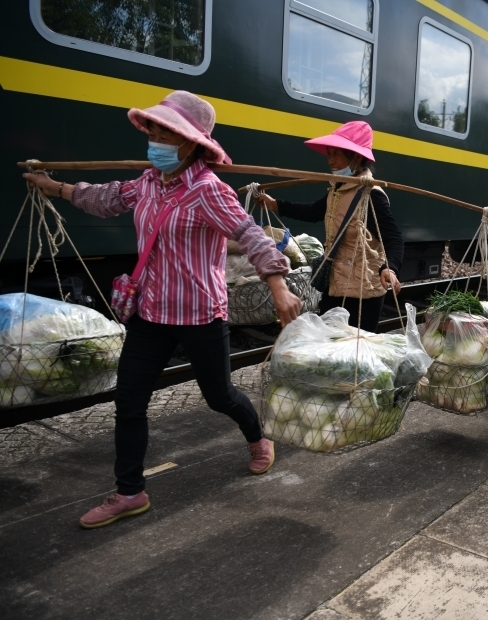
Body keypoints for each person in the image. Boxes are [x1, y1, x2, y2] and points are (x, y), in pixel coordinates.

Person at [23, 91, 303, 529]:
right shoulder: (148, 182)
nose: (152, 138)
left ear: (190, 143)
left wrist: (278, 287)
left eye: (163, 131)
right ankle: (130, 491)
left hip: (200, 315)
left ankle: (256, 437)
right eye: (151, 129)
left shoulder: (210, 191)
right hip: (151, 313)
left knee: (220, 396)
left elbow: (252, 236)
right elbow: (106, 197)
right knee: (129, 400)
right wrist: (55, 187)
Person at [256, 121, 403, 333]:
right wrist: (275, 204)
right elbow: (315, 211)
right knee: (330, 351)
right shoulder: (338, 188)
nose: (331, 161)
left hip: (363, 293)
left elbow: (394, 238)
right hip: (334, 286)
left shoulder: (371, 196)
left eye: (337, 154)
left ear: (357, 158)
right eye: (329, 154)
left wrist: (390, 268)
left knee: (353, 357)